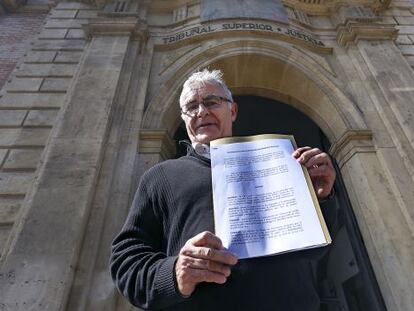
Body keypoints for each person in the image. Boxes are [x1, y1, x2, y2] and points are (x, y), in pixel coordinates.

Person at [110, 69, 336, 310]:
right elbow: (126, 262)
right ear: (184, 118)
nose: (201, 112)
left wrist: (320, 200)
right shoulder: (159, 177)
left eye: (211, 102)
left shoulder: (278, 163)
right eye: (191, 107)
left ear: (233, 110)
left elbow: (316, 251)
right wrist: (175, 273)